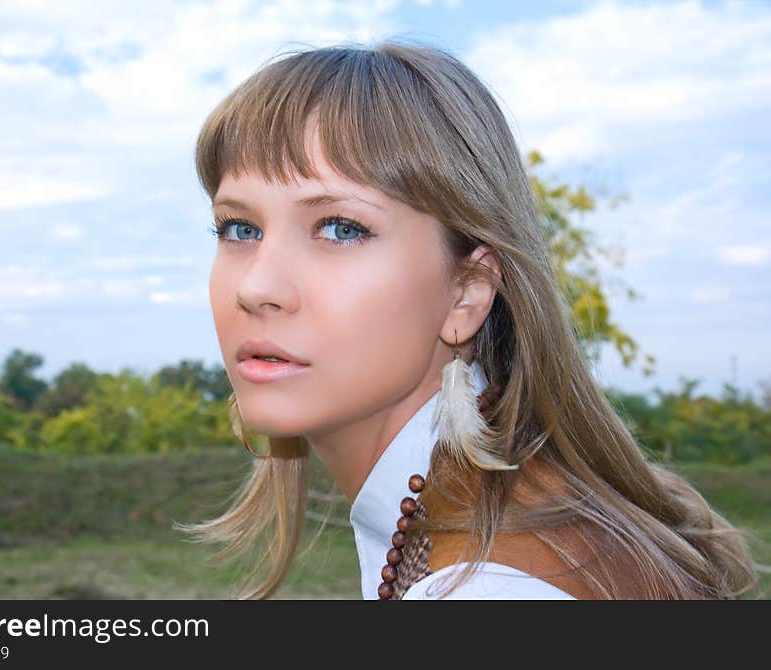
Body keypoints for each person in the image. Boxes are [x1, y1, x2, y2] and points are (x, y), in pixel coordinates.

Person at [175, 39, 758, 599]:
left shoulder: (487, 588)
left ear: (468, 293)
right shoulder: (519, 509)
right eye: (239, 228)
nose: (256, 288)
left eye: (341, 228)